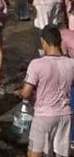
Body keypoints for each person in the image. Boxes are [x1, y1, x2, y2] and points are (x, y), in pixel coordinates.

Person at [18, 26, 74, 157]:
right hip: (65, 116)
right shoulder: (71, 64)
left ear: (43, 41)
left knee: (34, 153)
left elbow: (26, 92)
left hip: (44, 116)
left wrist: (21, 93)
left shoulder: (36, 64)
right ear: (60, 42)